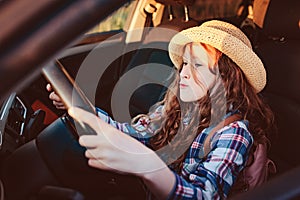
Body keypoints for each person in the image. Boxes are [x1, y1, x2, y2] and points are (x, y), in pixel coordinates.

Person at [47, 20, 274, 199]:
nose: (183, 72)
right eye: (184, 63)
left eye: (197, 65)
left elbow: (205, 195)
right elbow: (136, 132)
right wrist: (81, 109)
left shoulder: (234, 132)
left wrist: (151, 167)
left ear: (226, 79)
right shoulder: (178, 106)